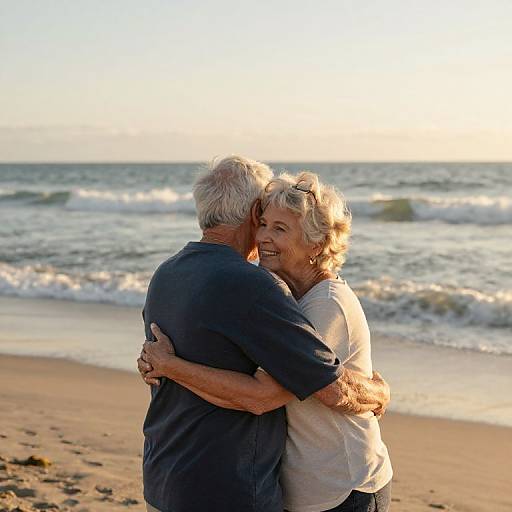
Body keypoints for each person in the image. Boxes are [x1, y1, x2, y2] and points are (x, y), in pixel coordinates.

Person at [139, 156, 390, 512]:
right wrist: (379, 392)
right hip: (225, 488)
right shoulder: (255, 287)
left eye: (279, 228)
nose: (265, 236)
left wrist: (167, 366)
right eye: (265, 223)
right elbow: (263, 396)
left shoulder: (166, 274)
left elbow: (162, 364)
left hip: (165, 476)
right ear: (254, 212)